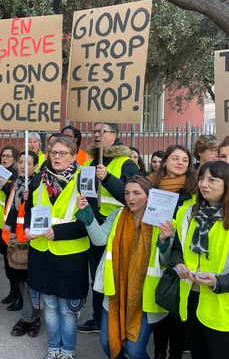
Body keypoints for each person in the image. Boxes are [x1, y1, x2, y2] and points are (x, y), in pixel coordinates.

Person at [76, 176, 173, 358]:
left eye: (137, 193)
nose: (131, 198)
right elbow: (99, 239)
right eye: (127, 193)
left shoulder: (162, 221)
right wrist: (86, 212)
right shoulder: (118, 215)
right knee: (108, 343)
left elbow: (167, 262)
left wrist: (164, 241)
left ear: (148, 196)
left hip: (146, 297)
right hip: (116, 292)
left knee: (135, 351)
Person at [23, 135, 89, 359]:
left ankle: (68, 351)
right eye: (54, 153)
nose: (57, 157)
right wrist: (27, 229)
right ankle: (53, 349)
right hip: (43, 254)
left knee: (68, 310)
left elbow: (90, 222)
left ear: (73, 156)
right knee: (49, 307)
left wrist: (58, 232)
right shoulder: (39, 179)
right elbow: (31, 209)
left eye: (63, 153)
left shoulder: (84, 180)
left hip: (71, 257)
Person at [78, 122, 140, 334]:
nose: (96, 134)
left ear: (114, 136)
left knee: (115, 276)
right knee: (96, 275)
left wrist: (109, 178)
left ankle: (118, 320)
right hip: (95, 228)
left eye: (102, 131)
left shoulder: (126, 163)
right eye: (94, 131)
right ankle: (97, 319)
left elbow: (135, 195)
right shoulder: (91, 161)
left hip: (117, 228)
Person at [169, 161, 229, 359]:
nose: (204, 184)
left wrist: (217, 282)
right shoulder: (188, 213)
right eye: (201, 178)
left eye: (212, 180)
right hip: (192, 301)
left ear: (228, 184)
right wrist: (178, 263)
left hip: (224, 309)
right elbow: (177, 250)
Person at [150, 145, 198, 359]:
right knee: (159, 310)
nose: (180, 163)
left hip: (182, 258)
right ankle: (160, 352)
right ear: (165, 161)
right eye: (175, 158)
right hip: (154, 255)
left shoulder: (194, 191)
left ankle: (175, 354)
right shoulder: (152, 186)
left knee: (178, 314)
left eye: (185, 160)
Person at [3, 151, 42, 338]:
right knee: (17, 276)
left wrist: (29, 196)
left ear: (35, 166)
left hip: (28, 238)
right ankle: (29, 314)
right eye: (20, 162)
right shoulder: (16, 182)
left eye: (27, 163)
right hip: (14, 238)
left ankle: (31, 318)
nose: (22, 166)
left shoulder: (36, 183)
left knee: (30, 281)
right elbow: (11, 209)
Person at [0, 146, 20, 307]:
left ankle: (18, 295)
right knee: (6, 262)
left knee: (15, 263)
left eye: (9, 156)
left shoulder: (17, 176)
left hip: (10, 225)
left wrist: (5, 184)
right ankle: (12, 292)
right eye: (3, 155)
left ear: (15, 158)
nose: (5, 158)